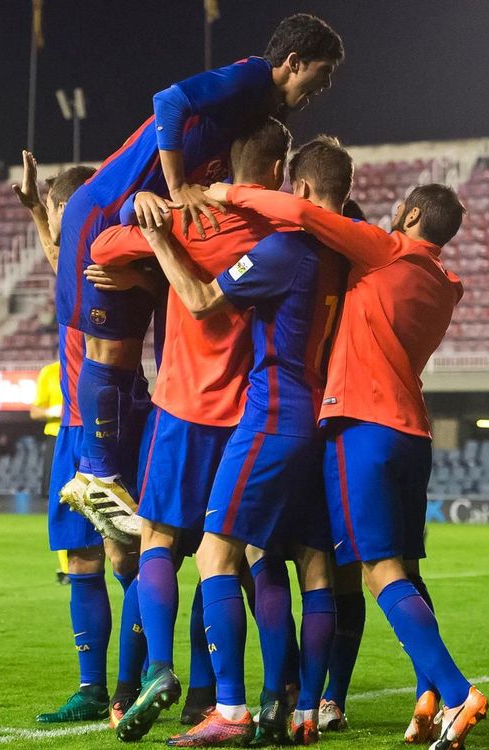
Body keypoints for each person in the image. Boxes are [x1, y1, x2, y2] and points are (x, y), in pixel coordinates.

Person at [205, 179, 489, 749]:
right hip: (415, 434)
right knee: (407, 569)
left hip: (364, 428)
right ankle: (426, 695)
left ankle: (457, 692)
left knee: (377, 571)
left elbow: (301, 212)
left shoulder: (384, 250)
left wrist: (227, 192)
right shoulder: (446, 284)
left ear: (409, 215)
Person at [59, 14, 344, 546]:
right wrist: (178, 186)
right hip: (109, 208)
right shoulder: (251, 79)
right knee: (110, 350)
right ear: (294, 63)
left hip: (140, 216)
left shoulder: (257, 109)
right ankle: (95, 473)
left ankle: (107, 473)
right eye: (321, 75)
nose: (322, 88)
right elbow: (168, 99)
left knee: (127, 353)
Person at [84, 117, 293, 743]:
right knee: (240, 555)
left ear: (225, 168)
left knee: (157, 539)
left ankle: (158, 669)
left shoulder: (185, 220)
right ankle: (266, 696)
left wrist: (139, 205)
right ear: (277, 171)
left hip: (181, 410)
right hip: (248, 418)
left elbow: (99, 249)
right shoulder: (281, 233)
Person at [143, 136, 351, 747]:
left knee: (215, 554)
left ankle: (229, 710)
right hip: (319, 420)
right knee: (309, 563)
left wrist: (158, 235)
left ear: (302, 192)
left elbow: (203, 298)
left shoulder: (285, 251)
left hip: (270, 419)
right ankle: (302, 709)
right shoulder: (347, 253)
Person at [13, 155, 149, 728]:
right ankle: (97, 688)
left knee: (128, 556)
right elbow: (56, 258)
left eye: (56, 213)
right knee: (84, 558)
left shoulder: (101, 252)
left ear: (70, 210)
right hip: (80, 422)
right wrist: (38, 216)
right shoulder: (82, 256)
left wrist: (43, 216)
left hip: (102, 422)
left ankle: (137, 678)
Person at [31, 361, 70, 583]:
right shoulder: (50, 372)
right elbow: (34, 411)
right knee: (59, 502)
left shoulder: (91, 363)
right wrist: (51, 411)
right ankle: (66, 568)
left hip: (86, 435)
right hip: (57, 439)